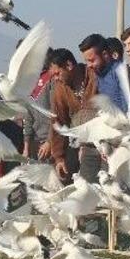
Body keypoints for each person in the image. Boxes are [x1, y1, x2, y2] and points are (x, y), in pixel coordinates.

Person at [46, 48, 96, 181]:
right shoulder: (60, 89)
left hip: (102, 142)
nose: (56, 79)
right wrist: (59, 157)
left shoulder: (94, 76)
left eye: (57, 74)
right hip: (79, 144)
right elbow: (58, 122)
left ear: (69, 65)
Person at [78, 33, 127, 113]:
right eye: (86, 61)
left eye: (91, 60)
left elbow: (127, 108)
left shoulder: (120, 72)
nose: (89, 65)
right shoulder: (99, 74)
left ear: (105, 55)